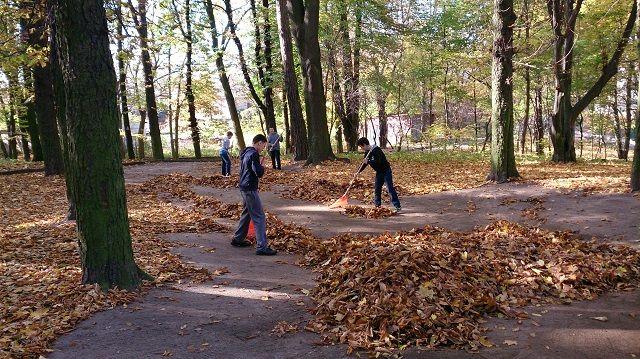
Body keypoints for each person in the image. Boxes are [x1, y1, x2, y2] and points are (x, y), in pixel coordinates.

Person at [231, 134, 277, 255]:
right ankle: (262, 247)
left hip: (244, 186)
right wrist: (262, 167)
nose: (263, 148)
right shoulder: (253, 154)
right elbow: (258, 172)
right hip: (250, 188)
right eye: (263, 145)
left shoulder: (246, 152)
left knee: (247, 213)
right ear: (259, 143)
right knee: (259, 216)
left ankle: (238, 239)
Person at [356, 137, 402, 212]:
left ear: (364, 144)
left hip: (386, 171)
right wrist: (358, 171)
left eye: (361, 147)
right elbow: (364, 163)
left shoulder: (376, 150)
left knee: (389, 188)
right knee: (377, 188)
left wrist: (369, 161)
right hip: (379, 172)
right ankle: (377, 206)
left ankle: (397, 206)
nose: (361, 149)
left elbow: (378, 162)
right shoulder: (367, 152)